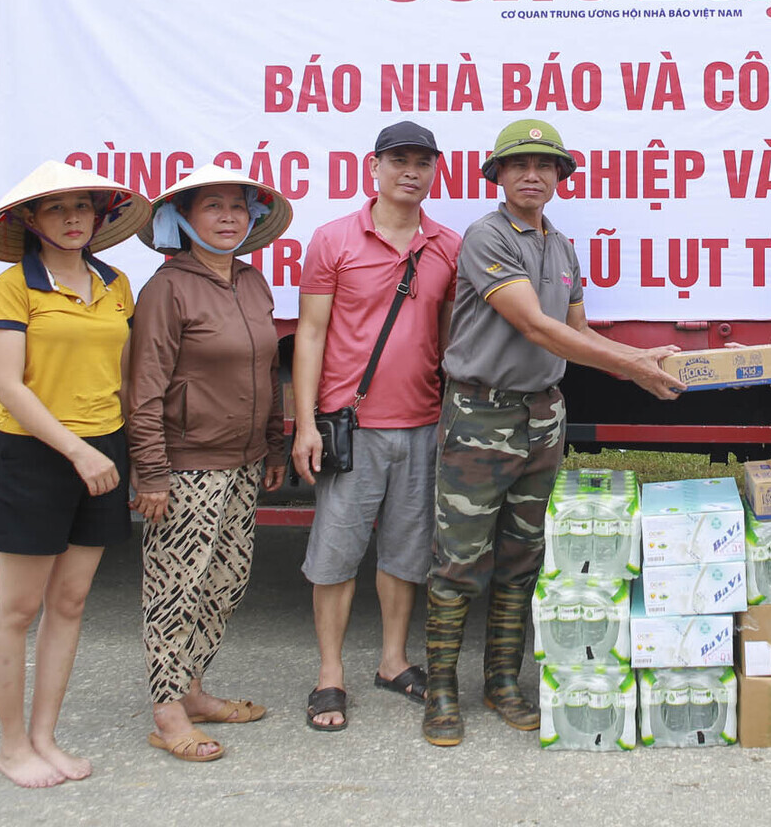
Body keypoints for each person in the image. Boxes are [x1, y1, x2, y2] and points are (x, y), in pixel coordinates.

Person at [422, 118, 683, 747]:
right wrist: (631, 366)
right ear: (499, 176)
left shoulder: (561, 246)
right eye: (519, 166)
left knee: (522, 558)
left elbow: (578, 331)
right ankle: (440, 692)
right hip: (481, 417)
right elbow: (535, 327)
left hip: (543, 417)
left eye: (546, 166)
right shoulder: (487, 236)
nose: (533, 176)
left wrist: (645, 365)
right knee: (459, 561)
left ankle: (502, 683)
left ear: (561, 177)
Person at [0, 161, 150, 788]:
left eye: (83, 207)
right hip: (38, 455)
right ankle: (11, 745)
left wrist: (127, 451)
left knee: (70, 602)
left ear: (99, 217)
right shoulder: (12, 288)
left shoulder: (116, 282)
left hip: (103, 450)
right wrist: (78, 451)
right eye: (57, 208)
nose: (73, 218)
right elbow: (7, 388)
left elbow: (125, 380)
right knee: (18, 608)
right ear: (30, 219)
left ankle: (45, 734)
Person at [293, 122, 461, 733]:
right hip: (351, 426)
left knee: (405, 552)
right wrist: (305, 423)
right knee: (335, 556)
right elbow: (310, 334)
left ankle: (393, 660)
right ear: (374, 166)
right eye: (398, 160)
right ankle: (329, 674)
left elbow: (445, 338)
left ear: (436, 170)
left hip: (421, 424)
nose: (410, 171)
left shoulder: (447, 244)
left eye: (422, 161)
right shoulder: (333, 239)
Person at [126, 166, 293, 762]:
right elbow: (143, 390)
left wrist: (273, 445)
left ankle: (194, 689)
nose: (228, 217)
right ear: (184, 220)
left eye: (237, 207)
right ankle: (167, 710)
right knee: (176, 587)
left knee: (226, 580)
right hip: (187, 465)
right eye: (212, 207)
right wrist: (150, 472)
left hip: (244, 462)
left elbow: (268, 371)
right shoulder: (167, 289)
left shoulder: (253, 282)